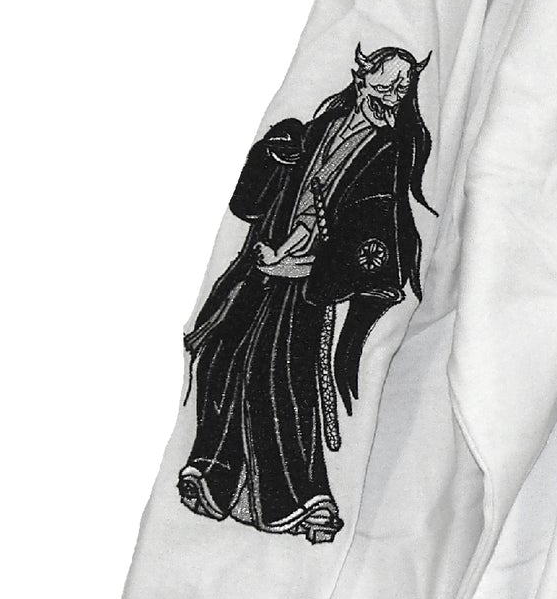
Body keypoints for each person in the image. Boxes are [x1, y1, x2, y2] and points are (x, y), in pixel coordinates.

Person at [177, 45, 433, 540]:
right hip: (265, 266)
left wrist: (308, 264)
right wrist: (271, 154)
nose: (394, 95)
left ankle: (299, 500)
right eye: (386, 83)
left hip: (307, 284)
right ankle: (214, 474)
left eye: (403, 88)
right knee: (220, 354)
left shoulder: (387, 152)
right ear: (361, 77)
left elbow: (376, 230)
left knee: (276, 379)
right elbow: (253, 205)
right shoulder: (319, 128)